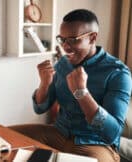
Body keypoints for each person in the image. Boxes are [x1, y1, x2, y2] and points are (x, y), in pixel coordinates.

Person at [9, 9, 132, 162]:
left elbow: (112, 133)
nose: (66, 47)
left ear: (92, 38)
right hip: (58, 133)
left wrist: (81, 93)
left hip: (96, 144)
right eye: (62, 39)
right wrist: (44, 84)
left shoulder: (118, 73)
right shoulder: (62, 64)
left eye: (73, 40)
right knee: (1, 137)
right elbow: (40, 108)